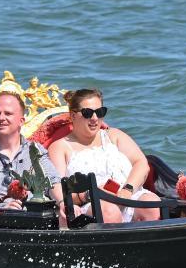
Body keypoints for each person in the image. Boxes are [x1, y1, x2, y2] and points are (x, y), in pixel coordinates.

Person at [48, 88, 161, 224]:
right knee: (109, 211)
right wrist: (89, 194)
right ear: (73, 115)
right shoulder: (60, 147)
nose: (95, 118)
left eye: (100, 112)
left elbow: (141, 163)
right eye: (87, 113)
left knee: (151, 205)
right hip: (90, 204)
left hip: (127, 195)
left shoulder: (114, 136)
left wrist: (127, 190)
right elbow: (55, 187)